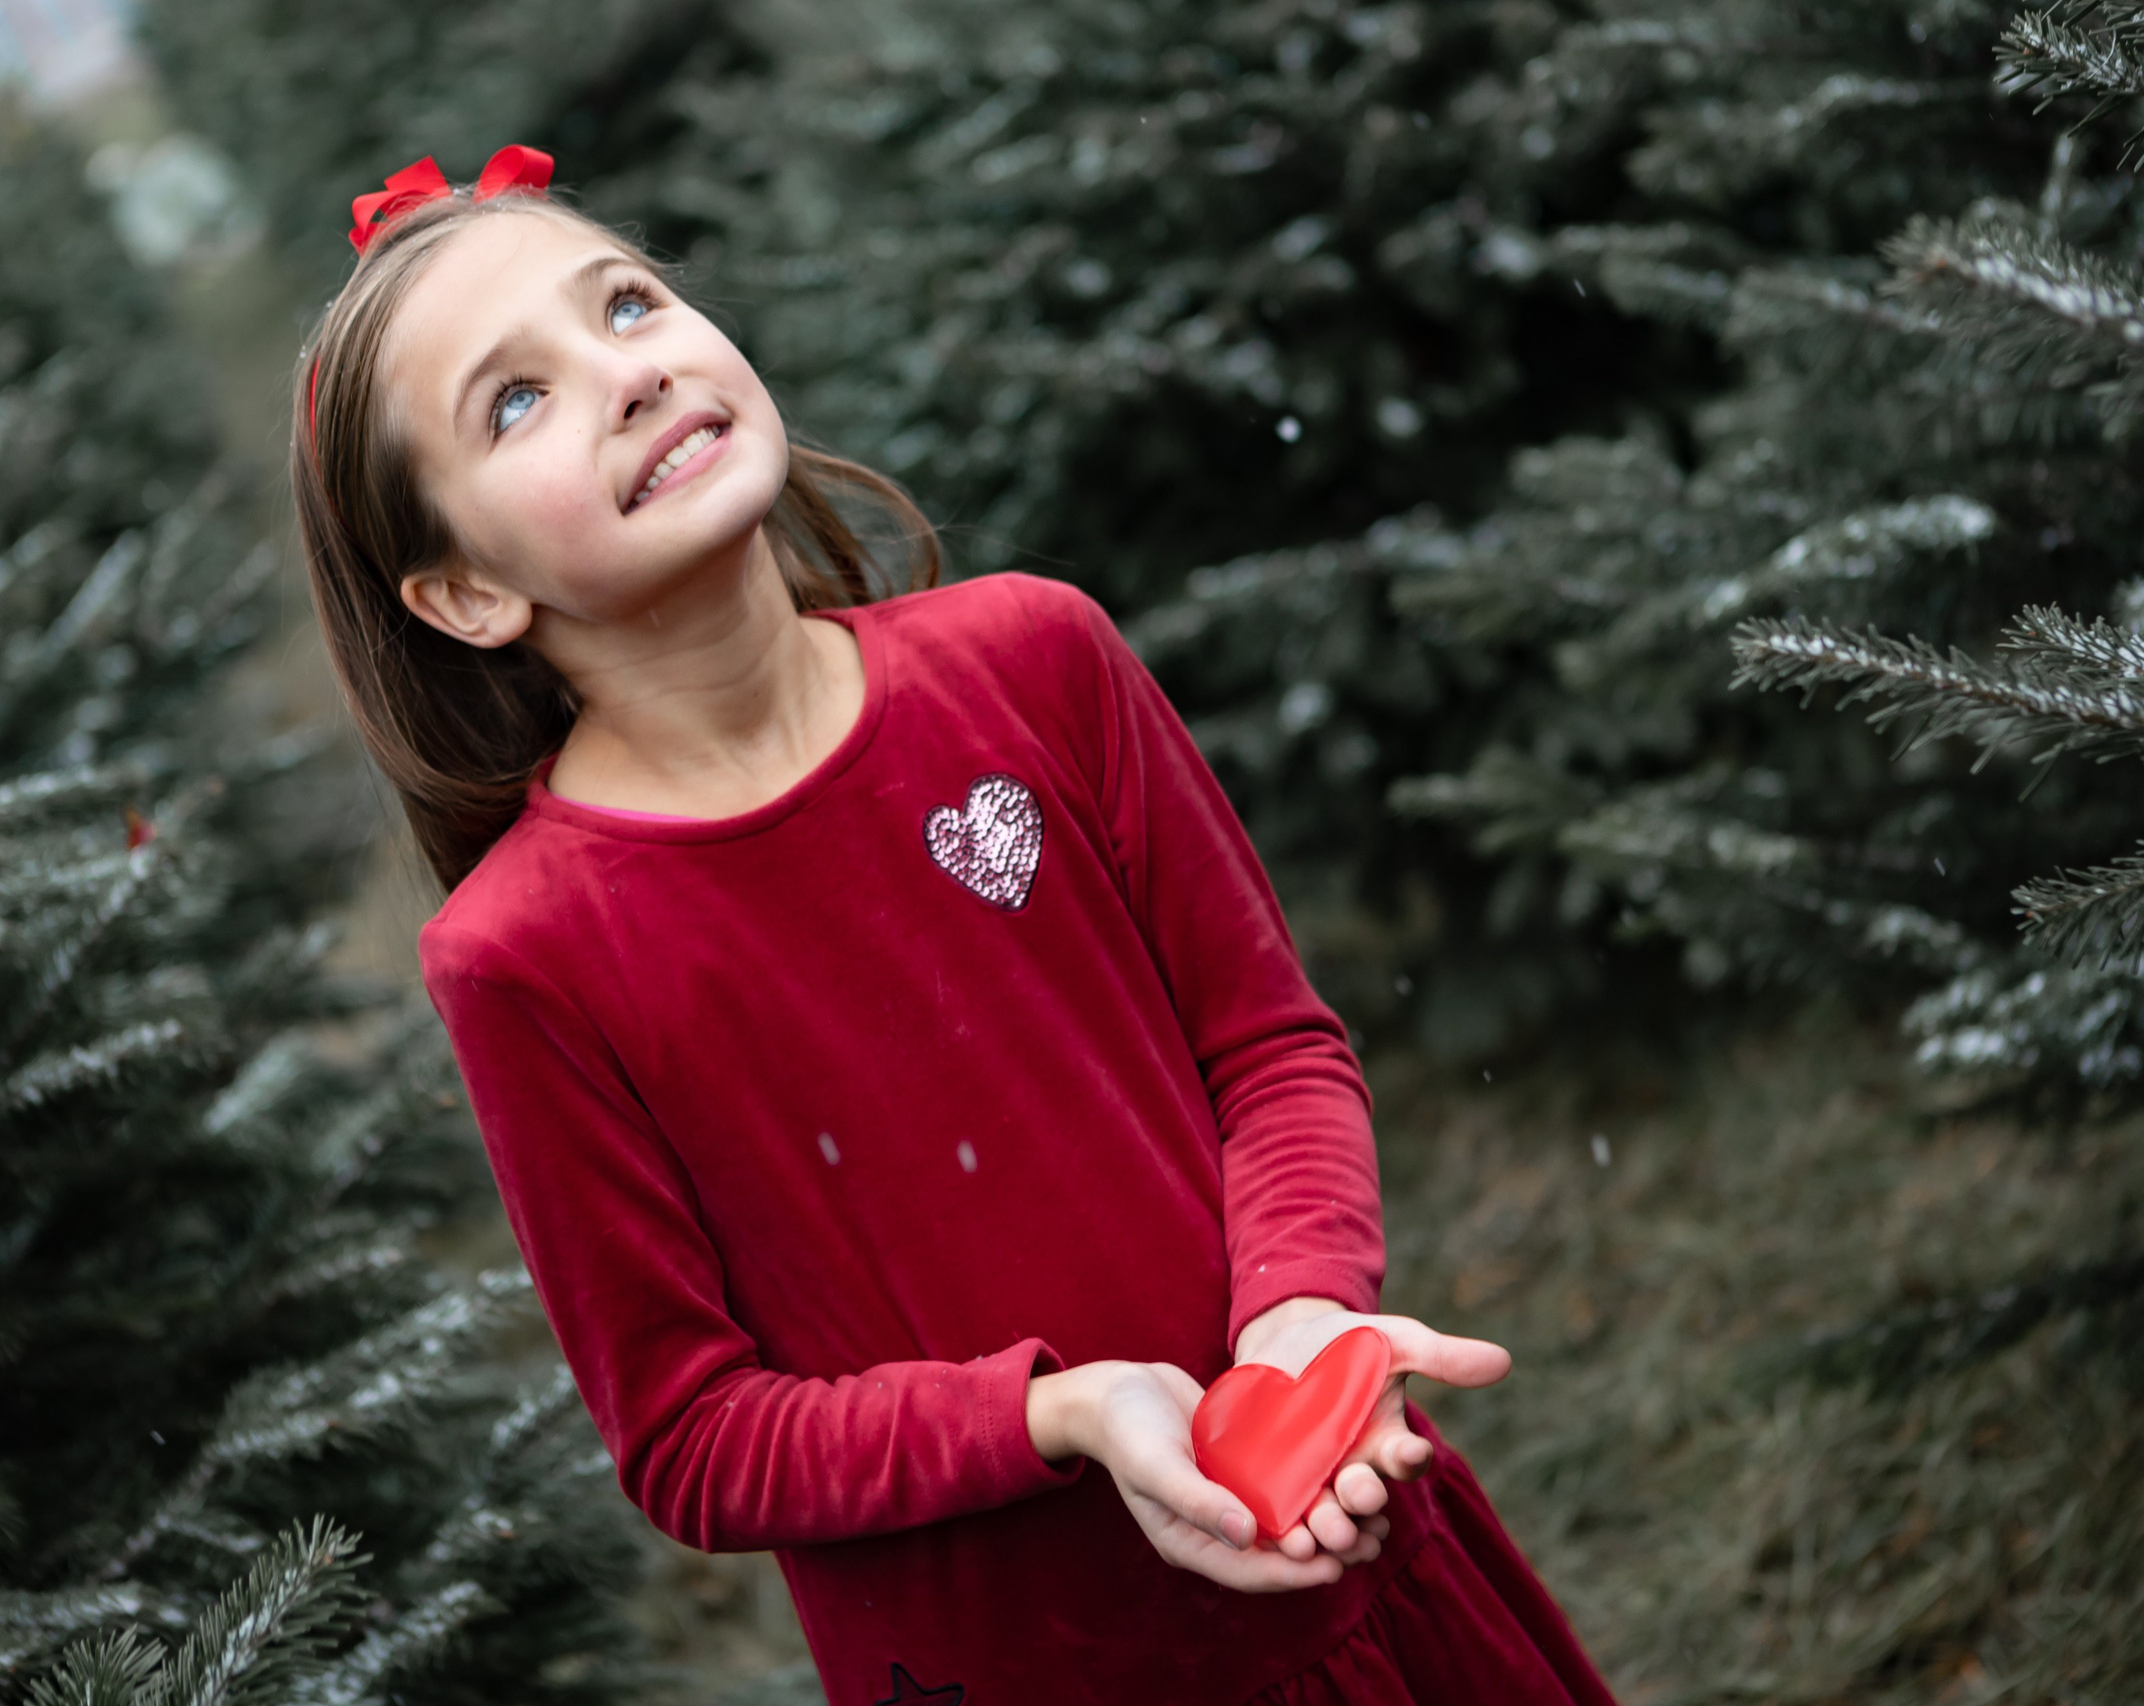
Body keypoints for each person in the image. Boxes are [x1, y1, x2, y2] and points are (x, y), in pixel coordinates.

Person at [293, 145, 1617, 1706]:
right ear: (461, 596)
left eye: (629, 304)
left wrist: (1300, 1319)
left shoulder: (1034, 658)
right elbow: (693, 1435)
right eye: (514, 400)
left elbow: (1269, 1051)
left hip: (1344, 1559)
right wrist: (1056, 1415)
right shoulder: (528, 953)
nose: (627, 374)